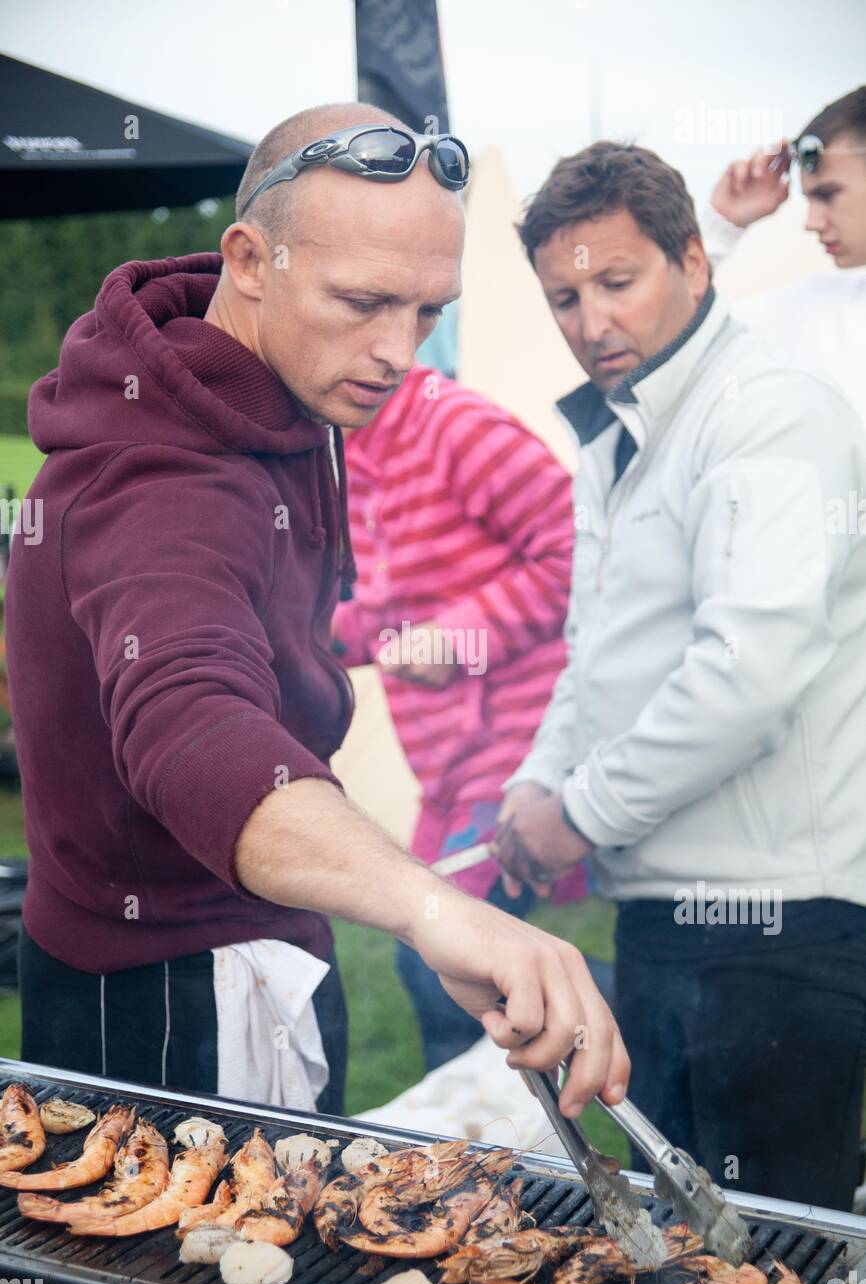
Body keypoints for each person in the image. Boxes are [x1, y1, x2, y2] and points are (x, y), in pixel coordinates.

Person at [5, 103, 628, 1121]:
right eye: (363, 301)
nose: (399, 351)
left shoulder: (276, 385)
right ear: (250, 260)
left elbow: (266, 626)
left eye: (426, 312)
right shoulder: (158, 477)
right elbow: (195, 726)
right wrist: (430, 906)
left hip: (260, 929)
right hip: (169, 989)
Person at [494, 140, 866, 1209]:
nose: (590, 322)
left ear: (694, 262)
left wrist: (579, 813)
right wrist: (536, 782)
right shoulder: (618, 436)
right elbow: (596, 655)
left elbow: (747, 674)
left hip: (775, 930)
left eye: (617, 282)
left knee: (772, 1262)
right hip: (656, 920)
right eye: (564, 298)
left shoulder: (768, 412)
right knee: (669, 1248)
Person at [333, 362, 591, 1070]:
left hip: (517, 748)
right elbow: (388, 610)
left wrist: (459, 637)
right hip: (445, 768)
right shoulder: (343, 452)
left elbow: (579, 551)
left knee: (441, 963)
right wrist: (294, 640)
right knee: (424, 948)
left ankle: (615, 1025)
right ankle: (481, 1116)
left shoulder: (456, 425)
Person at [703, 85, 866, 427]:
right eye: (809, 200)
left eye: (828, 195)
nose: (811, 222)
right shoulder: (813, 313)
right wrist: (721, 228)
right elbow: (670, 336)